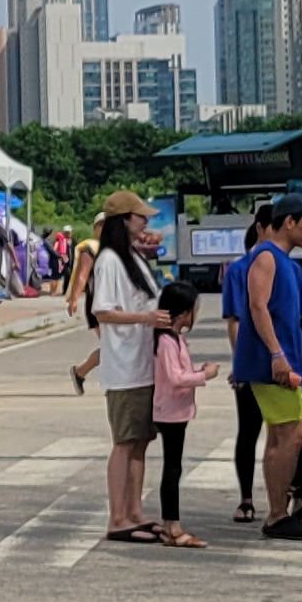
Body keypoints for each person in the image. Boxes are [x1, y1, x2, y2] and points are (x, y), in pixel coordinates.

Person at [89, 198, 193, 547]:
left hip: (144, 365)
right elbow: (103, 312)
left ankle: (134, 511)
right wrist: (146, 318)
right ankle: (117, 517)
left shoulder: (132, 256)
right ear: (122, 220)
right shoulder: (109, 260)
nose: (145, 223)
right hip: (125, 368)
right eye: (140, 217)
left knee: (140, 442)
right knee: (124, 443)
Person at [226, 197, 302, 540]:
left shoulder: (289, 265)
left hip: (286, 362)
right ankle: (277, 514)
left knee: (284, 435)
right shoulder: (266, 257)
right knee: (294, 434)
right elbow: (257, 307)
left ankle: (278, 510)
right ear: (289, 222)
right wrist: (277, 354)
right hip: (271, 365)